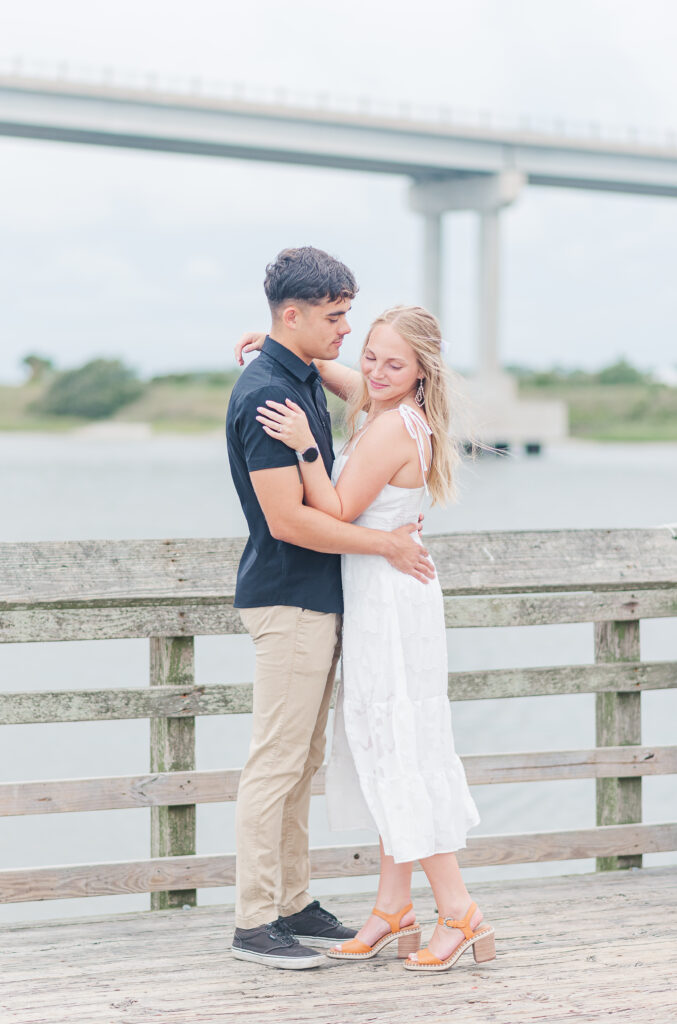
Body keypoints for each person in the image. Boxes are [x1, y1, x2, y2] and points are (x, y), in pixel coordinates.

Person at [250, 303, 496, 973]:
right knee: (385, 745)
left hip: (388, 604)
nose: (378, 372)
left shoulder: (391, 431)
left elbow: (331, 509)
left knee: (399, 749)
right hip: (386, 596)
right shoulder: (392, 408)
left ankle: (459, 910)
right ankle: (393, 909)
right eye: (371, 356)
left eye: (395, 363)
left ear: (421, 373)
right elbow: (354, 383)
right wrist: (290, 354)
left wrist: (304, 442)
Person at [226, 247, 435, 970]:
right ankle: (255, 921)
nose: (345, 330)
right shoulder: (266, 396)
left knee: (301, 758)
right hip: (288, 598)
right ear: (294, 315)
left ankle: (292, 902)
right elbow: (288, 520)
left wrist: (309, 362)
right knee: (276, 762)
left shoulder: (296, 375)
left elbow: (365, 388)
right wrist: (382, 544)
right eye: (335, 317)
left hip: (318, 598)